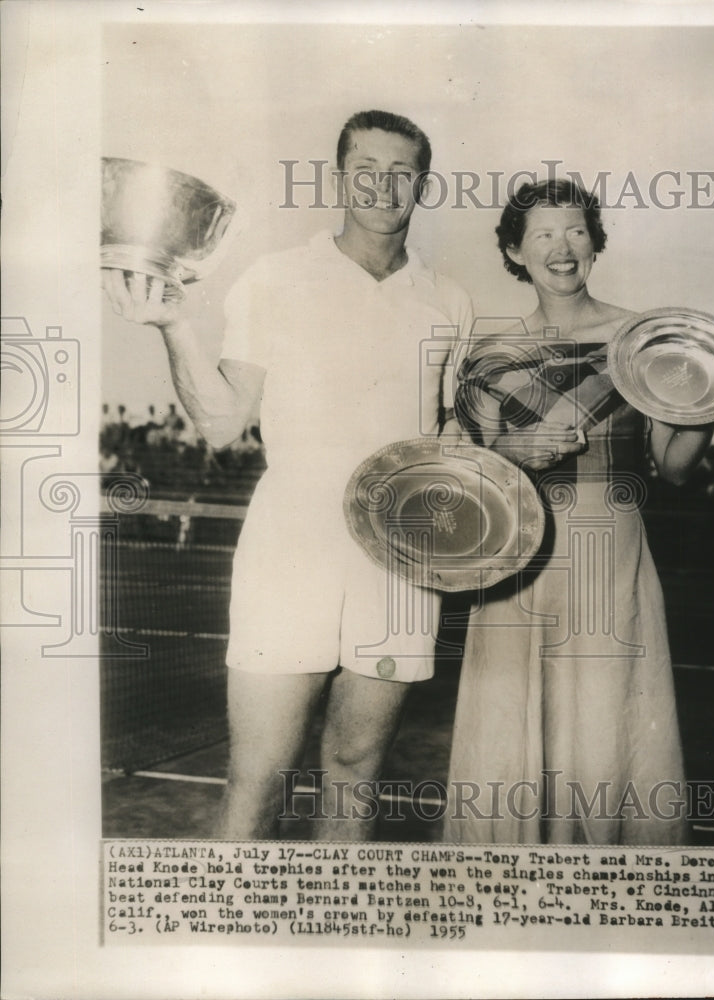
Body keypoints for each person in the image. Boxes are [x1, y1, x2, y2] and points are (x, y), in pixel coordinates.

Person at [102, 109, 473, 839]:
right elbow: (219, 421)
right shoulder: (275, 279)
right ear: (338, 178)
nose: (382, 185)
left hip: (399, 559)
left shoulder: (449, 301)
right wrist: (173, 326)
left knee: (357, 764)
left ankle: (344, 947)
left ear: (422, 184)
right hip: (291, 542)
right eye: (365, 168)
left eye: (401, 172)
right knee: (259, 774)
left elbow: (446, 434)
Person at [443, 178, 714, 845]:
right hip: (518, 555)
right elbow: (473, 485)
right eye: (543, 235)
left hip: (610, 551)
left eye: (577, 231)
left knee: (605, 721)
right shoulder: (485, 357)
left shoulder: (642, 339)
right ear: (514, 250)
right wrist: (519, 450)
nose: (563, 249)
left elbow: (672, 466)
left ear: (595, 242)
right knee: (512, 723)